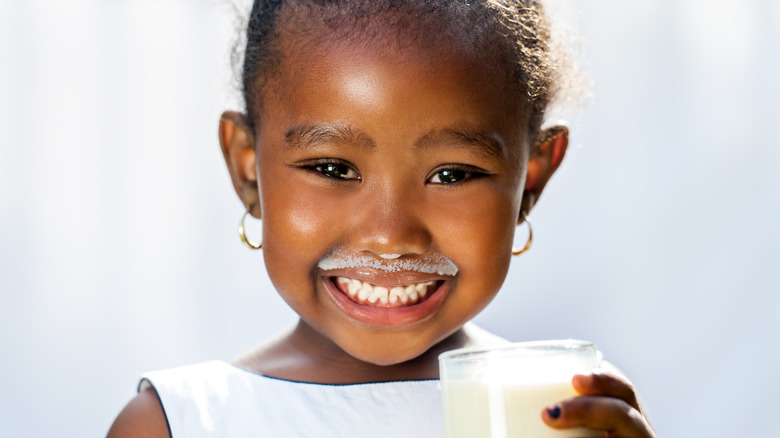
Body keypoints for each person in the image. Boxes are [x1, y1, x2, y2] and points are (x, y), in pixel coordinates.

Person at [108, 1, 656, 436]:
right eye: (332, 168)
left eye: (452, 175)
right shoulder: (180, 425)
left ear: (530, 179)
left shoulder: (569, 411)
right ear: (249, 171)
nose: (390, 236)